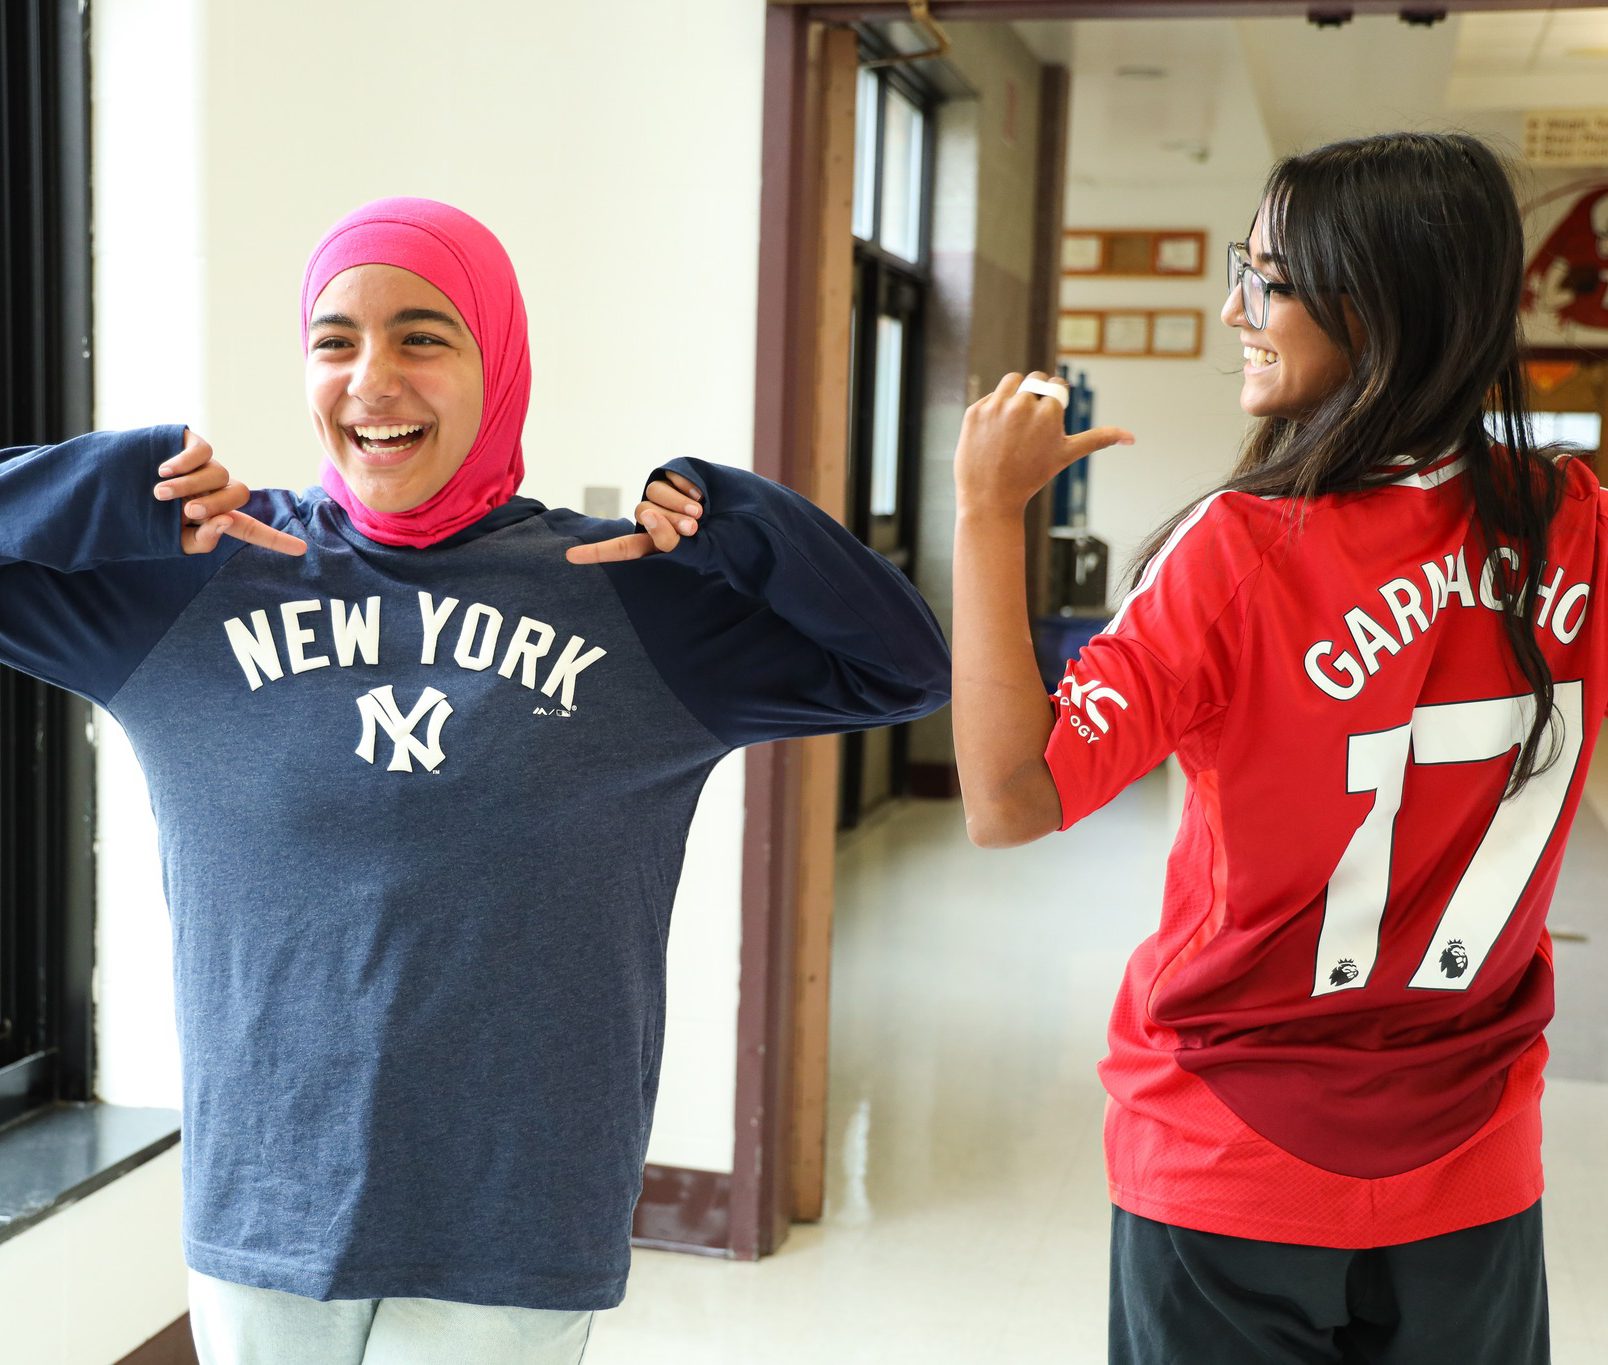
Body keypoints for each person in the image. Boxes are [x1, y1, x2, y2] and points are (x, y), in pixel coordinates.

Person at [0, 197, 950, 1364]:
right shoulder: (199, 581)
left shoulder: (624, 593)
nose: (372, 379)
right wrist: (99, 487)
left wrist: (746, 527)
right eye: (335, 340)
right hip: (269, 1204)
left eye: (423, 336)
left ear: (496, 360)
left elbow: (905, 665)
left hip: (515, 1209)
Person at [950, 131, 1608, 1365]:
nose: (1231, 307)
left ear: (1366, 308)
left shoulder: (1240, 548)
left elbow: (1008, 798)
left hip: (1226, 1152)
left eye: (1264, 277)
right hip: (1471, 1154)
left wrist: (988, 515)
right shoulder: (1578, 527)